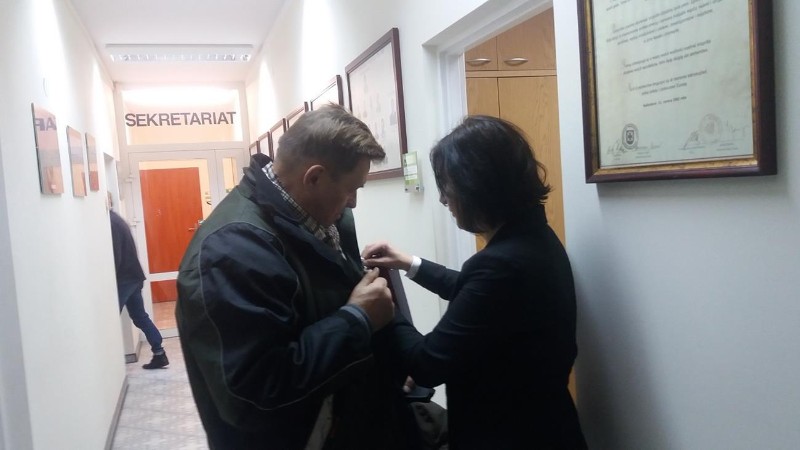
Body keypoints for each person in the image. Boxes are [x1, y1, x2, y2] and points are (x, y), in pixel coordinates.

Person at [175, 104, 422, 449]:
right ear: (314, 177)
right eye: (352, 189)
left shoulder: (323, 217)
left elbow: (335, 303)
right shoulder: (229, 252)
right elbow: (254, 396)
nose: (353, 202)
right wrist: (357, 320)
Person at [362, 115, 587, 449]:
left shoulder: (499, 265)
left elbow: (427, 364)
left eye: (448, 187)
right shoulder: (534, 240)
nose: (443, 200)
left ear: (477, 186)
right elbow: (479, 295)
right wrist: (409, 263)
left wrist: (385, 308)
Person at [109, 207, 168, 369]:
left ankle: (110, 366)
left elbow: (116, 256)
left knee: (110, 320)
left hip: (124, 280)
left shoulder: (110, 223)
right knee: (140, 316)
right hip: (133, 277)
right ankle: (159, 353)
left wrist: (108, 280)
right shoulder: (117, 220)